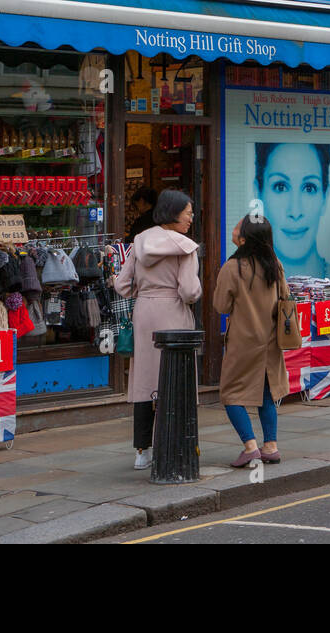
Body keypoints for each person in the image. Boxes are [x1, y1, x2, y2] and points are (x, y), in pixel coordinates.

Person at [114, 189, 201, 470]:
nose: (191, 219)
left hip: (145, 312)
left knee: (144, 380)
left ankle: (143, 451)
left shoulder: (140, 242)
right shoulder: (185, 247)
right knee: (177, 378)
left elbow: (122, 285)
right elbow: (189, 291)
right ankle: (176, 443)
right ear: (174, 214)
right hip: (173, 312)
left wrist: (146, 288)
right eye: (188, 213)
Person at [213, 216, 290, 468]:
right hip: (271, 341)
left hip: (243, 342)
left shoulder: (232, 268)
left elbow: (221, 306)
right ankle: (271, 446)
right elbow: (286, 297)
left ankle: (250, 447)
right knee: (267, 395)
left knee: (231, 394)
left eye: (238, 227)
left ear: (245, 237)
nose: (233, 230)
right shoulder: (275, 265)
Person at [254, 142, 330, 278]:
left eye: (309, 188)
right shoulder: (248, 280)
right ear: (258, 194)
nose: (295, 212)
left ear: (325, 197)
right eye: (280, 187)